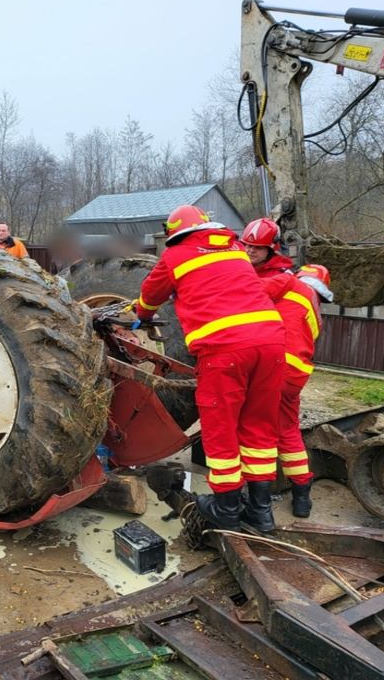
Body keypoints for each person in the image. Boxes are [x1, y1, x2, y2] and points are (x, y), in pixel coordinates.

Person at [133, 205, 286, 533]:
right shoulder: (235, 249)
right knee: (259, 427)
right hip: (272, 345)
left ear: (174, 233)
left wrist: (141, 315)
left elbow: (149, 296)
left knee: (220, 427)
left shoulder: (175, 256)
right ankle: (261, 512)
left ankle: (226, 507)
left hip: (225, 350)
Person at [258, 262, 332, 519]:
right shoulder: (316, 312)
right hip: (295, 377)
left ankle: (260, 501)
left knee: (260, 435)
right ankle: (302, 498)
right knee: (288, 432)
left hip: (271, 368)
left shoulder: (289, 287)